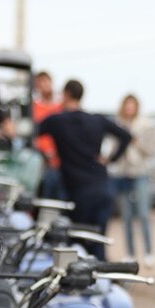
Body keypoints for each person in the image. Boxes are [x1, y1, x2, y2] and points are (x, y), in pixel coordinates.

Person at [39, 79, 132, 260]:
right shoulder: (97, 120)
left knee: (78, 245)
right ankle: (103, 283)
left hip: (79, 191)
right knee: (98, 241)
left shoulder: (57, 121)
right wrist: (110, 159)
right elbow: (126, 136)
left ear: (65, 94)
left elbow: (31, 133)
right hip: (103, 187)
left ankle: (90, 285)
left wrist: (46, 156)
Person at [107, 94, 155, 267]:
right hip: (122, 174)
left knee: (143, 215)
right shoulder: (118, 124)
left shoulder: (145, 125)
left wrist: (135, 142)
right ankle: (130, 254)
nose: (129, 108)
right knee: (126, 216)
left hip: (140, 174)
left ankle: (149, 253)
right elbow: (112, 148)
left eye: (132, 105)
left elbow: (152, 149)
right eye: (126, 105)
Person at [33, 71, 64, 200]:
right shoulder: (34, 107)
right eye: (41, 82)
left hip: (59, 161)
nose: (45, 85)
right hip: (40, 160)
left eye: (47, 81)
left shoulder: (61, 107)